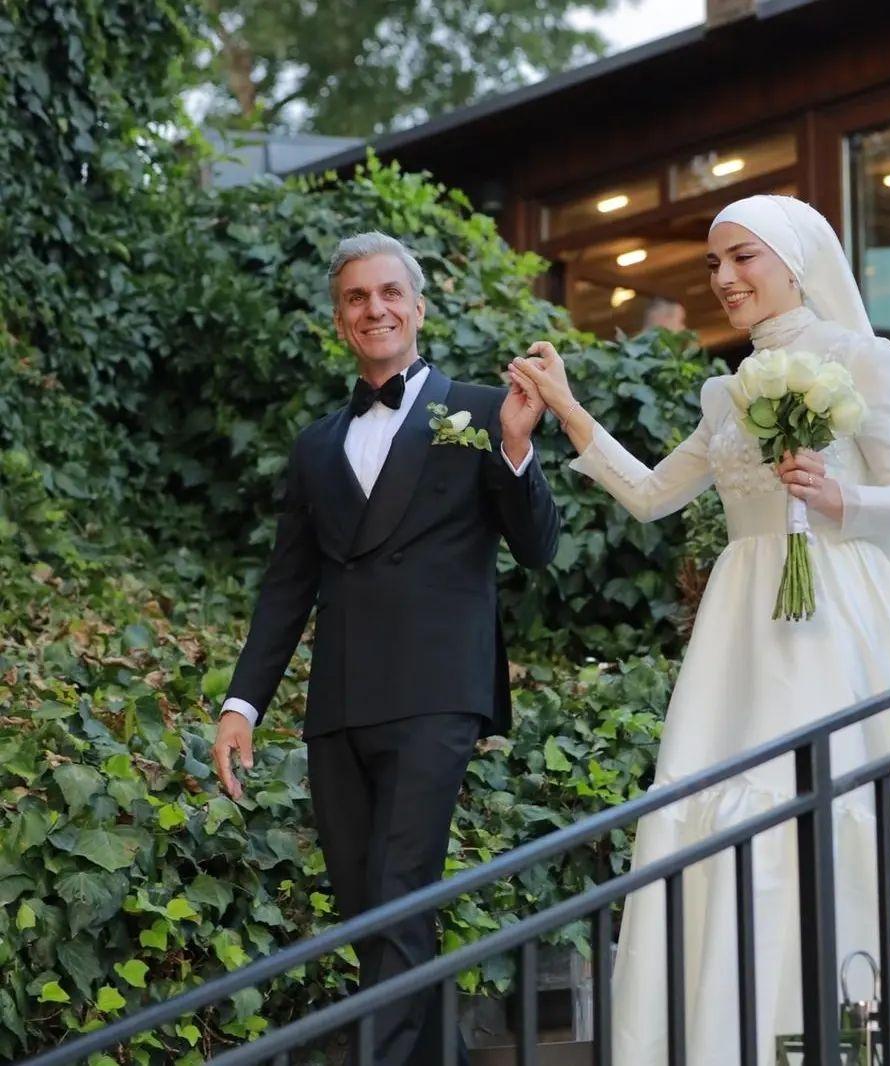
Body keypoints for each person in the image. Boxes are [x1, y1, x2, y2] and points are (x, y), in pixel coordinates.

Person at [508, 195, 890, 1065]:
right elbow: (651, 496)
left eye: (743, 258)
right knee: (722, 807)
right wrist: (568, 409)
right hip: (741, 629)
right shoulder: (725, 390)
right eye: (714, 265)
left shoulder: (861, 357)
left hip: (841, 616)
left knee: (844, 800)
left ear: (795, 263)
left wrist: (839, 498)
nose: (725, 278)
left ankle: (866, 1019)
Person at [211, 231, 560, 1066]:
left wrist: (516, 447)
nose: (376, 308)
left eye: (390, 292)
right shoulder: (315, 445)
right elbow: (287, 586)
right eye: (357, 297)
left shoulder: (486, 409)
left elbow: (539, 548)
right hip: (339, 705)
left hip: (436, 693)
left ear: (420, 308)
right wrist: (241, 704)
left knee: (399, 894)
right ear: (340, 320)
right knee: (371, 912)